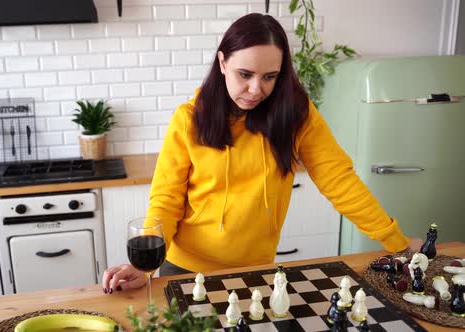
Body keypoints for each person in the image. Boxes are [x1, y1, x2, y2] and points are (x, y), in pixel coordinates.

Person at [101, 13, 421, 294]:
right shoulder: (188, 118)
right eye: (245, 74)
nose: (256, 90)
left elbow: (340, 181)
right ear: (223, 62)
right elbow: (165, 200)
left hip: (256, 272)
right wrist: (146, 267)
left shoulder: (297, 116)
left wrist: (397, 242)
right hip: (184, 269)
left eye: (270, 77)